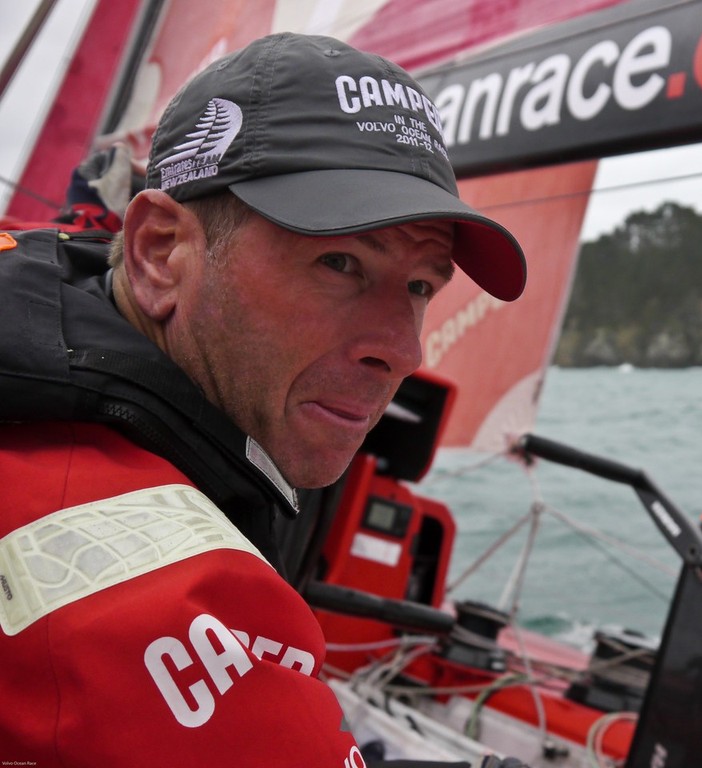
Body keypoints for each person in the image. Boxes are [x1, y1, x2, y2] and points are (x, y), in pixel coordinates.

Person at [0, 32, 525, 764]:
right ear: (159, 252)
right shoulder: (157, 596)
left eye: (418, 287)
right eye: (339, 263)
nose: (403, 351)